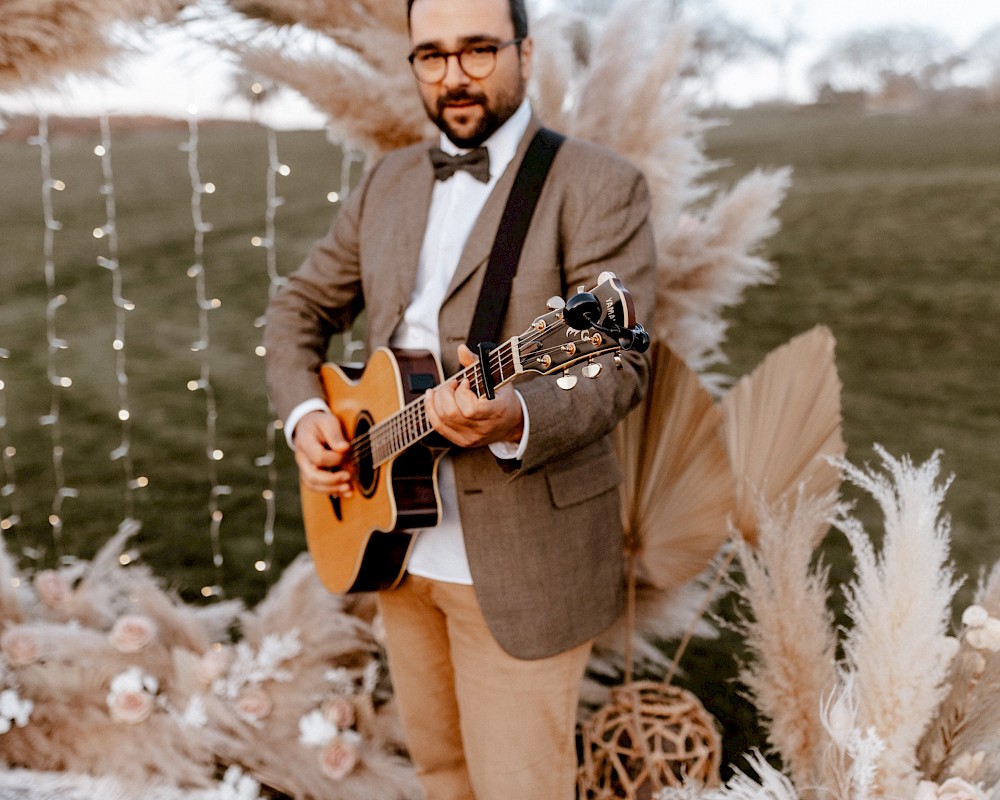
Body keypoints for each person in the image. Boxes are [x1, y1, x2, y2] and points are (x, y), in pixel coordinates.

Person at [264, 0, 656, 796]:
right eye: (432, 56)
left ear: (525, 51)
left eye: (479, 51)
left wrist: (512, 415)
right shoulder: (390, 179)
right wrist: (307, 417)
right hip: (393, 546)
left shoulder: (599, 184)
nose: (454, 77)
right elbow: (296, 309)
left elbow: (619, 368)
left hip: (522, 559)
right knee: (440, 775)